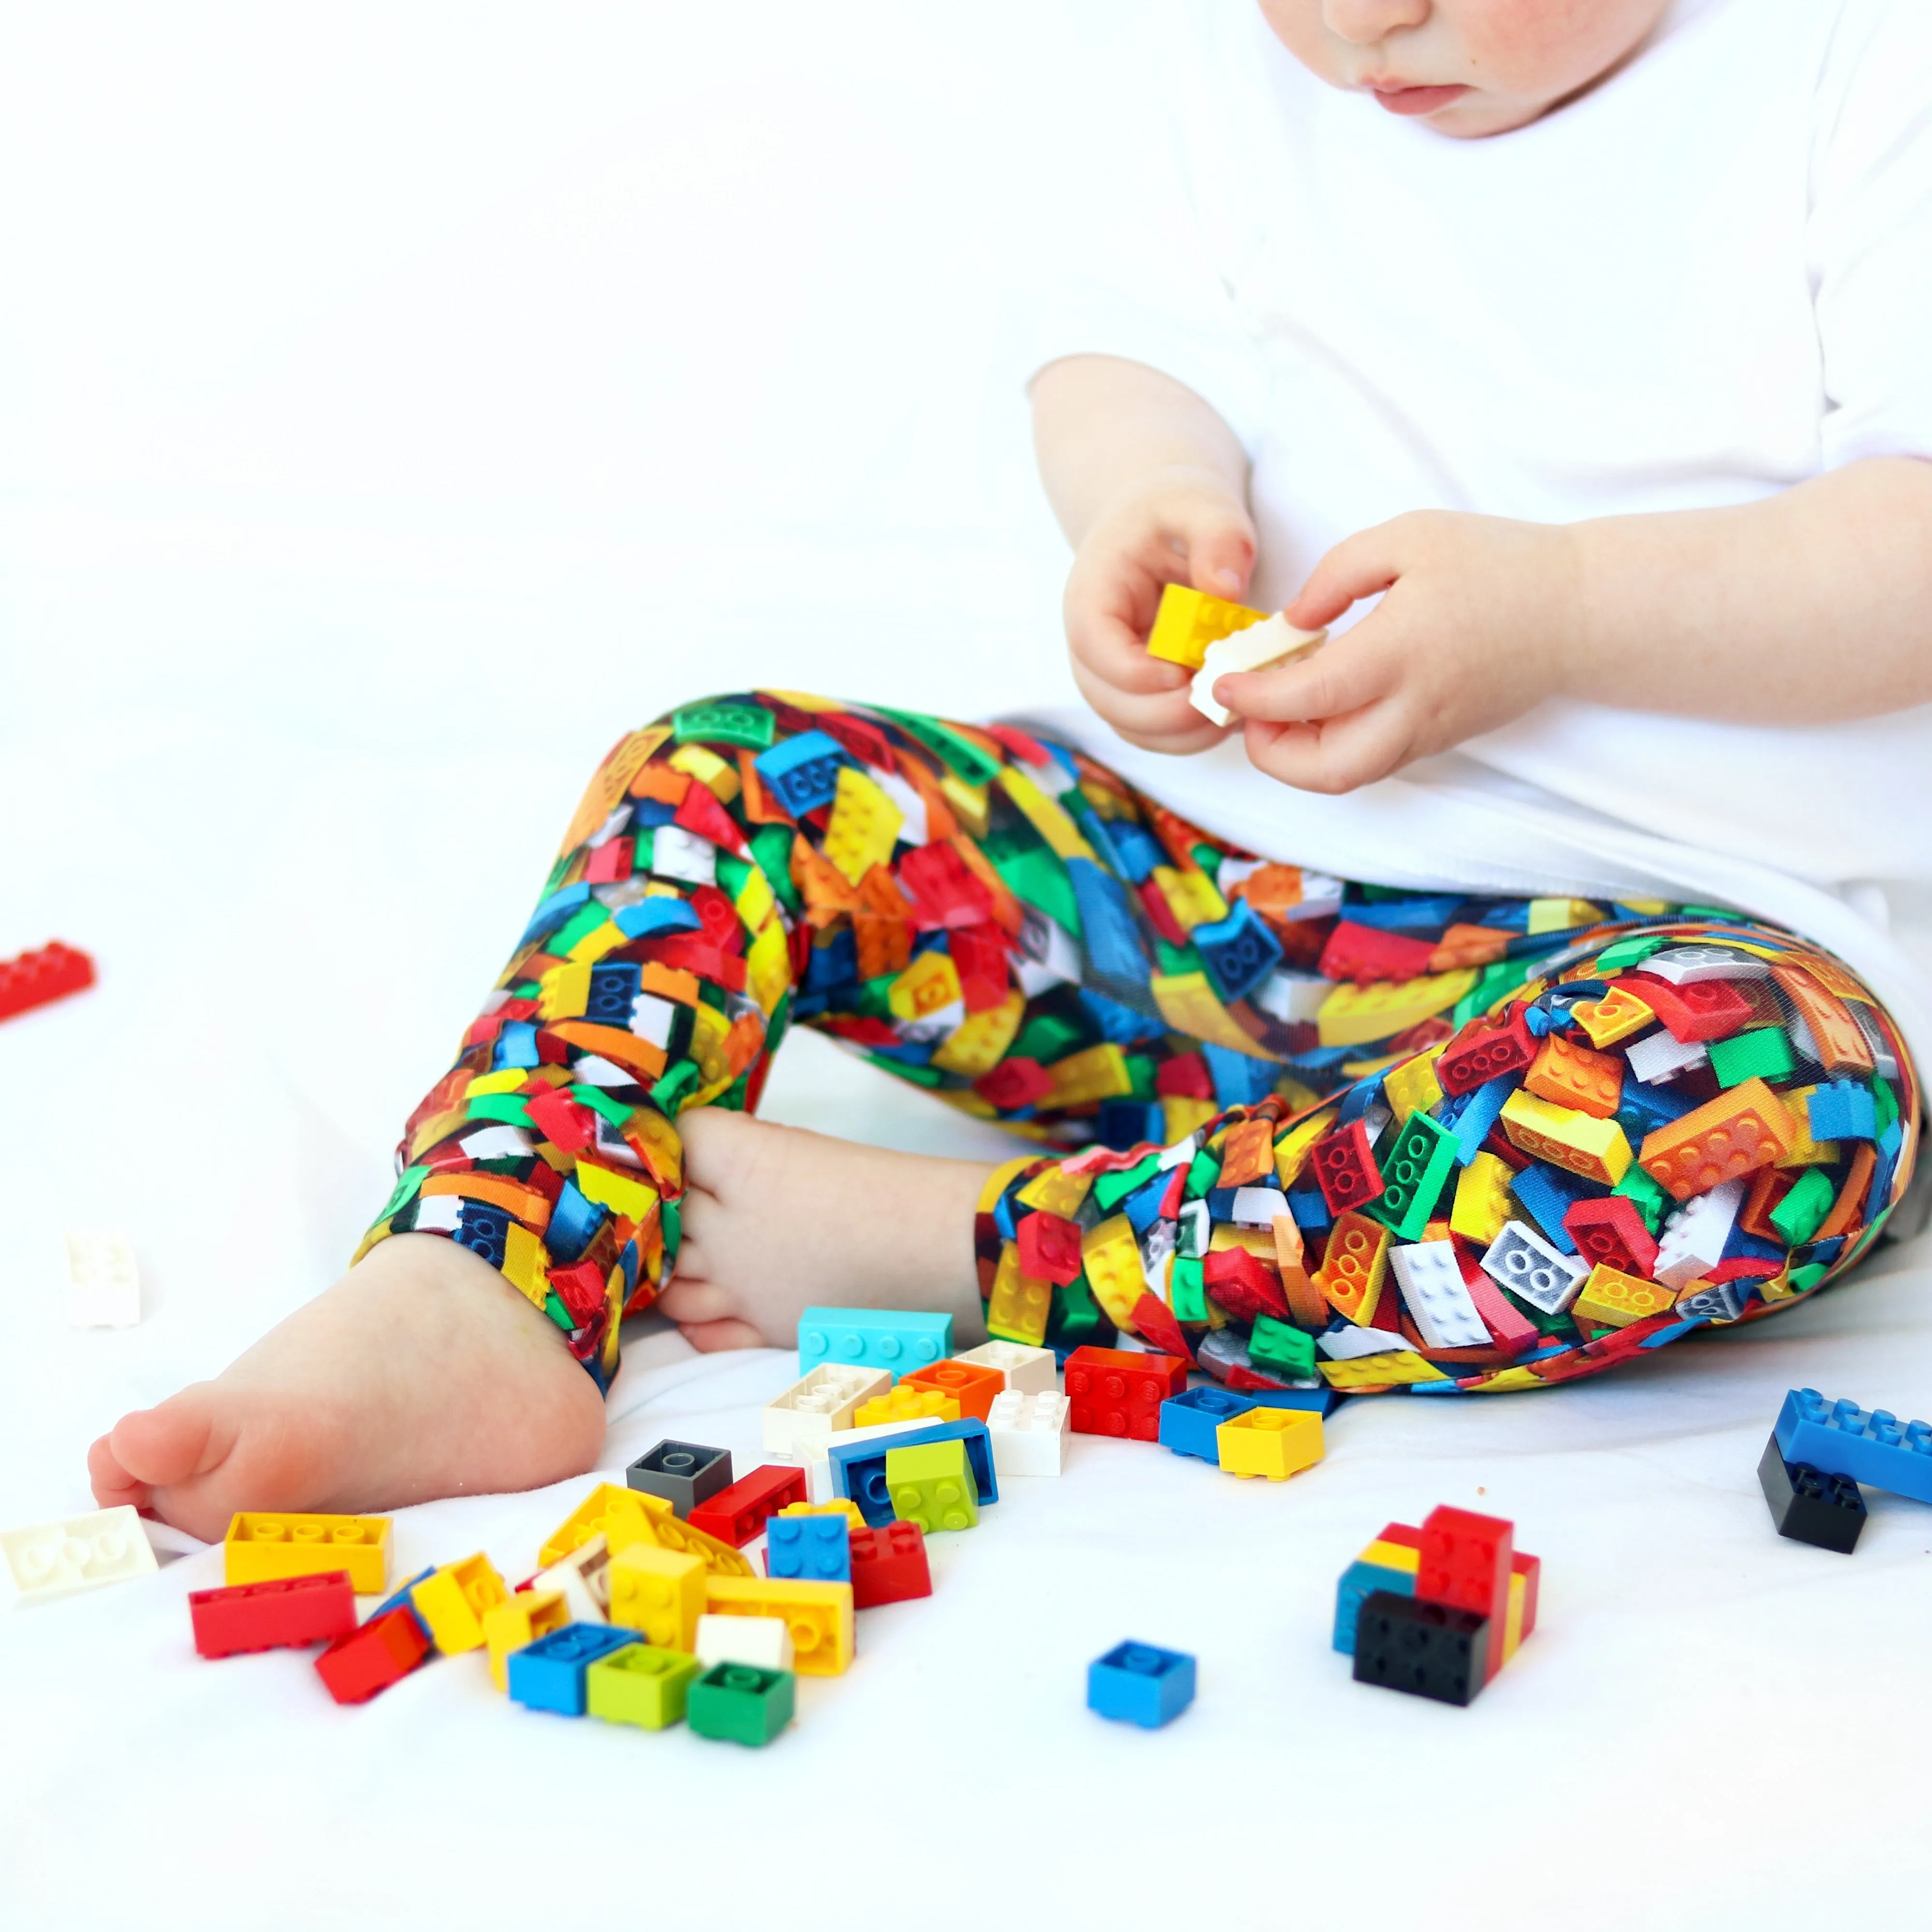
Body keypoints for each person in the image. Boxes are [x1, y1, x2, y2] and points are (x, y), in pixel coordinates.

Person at [91, 0, 1930, 1538]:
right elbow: (1123, 357)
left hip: (1647, 962)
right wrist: (1146, 498)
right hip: (1176, 903)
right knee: (730, 779)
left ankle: (977, 1251)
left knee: (1770, 1114)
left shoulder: (1860, 72)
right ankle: (483, 1268)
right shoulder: (1255, 74)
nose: (1361, 24)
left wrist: (1561, 612)